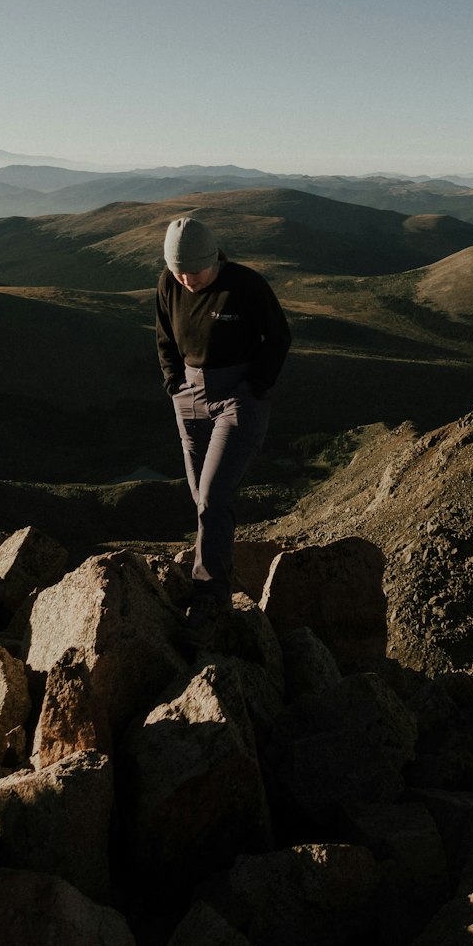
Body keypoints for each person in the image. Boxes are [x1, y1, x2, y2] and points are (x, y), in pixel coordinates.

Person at [156, 215, 291, 641]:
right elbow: (163, 337)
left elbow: (279, 337)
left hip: (238, 397)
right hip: (190, 397)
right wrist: (174, 384)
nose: (186, 279)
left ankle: (209, 598)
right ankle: (220, 577)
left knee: (214, 496)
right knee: (201, 498)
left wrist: (255, 387)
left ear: (212, 258)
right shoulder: (169, 284)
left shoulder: (246, 285)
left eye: (192, 271)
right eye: (178, 271)